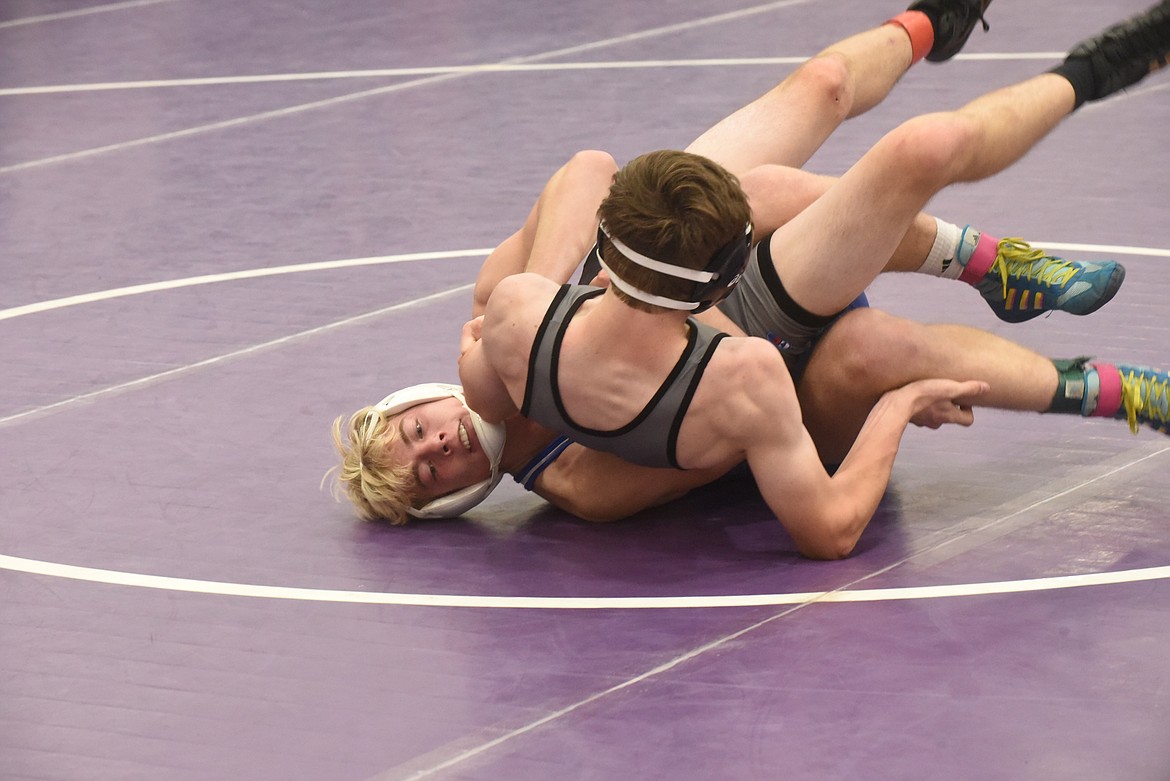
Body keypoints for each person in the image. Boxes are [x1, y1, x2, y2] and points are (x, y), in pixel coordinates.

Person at [329, 0, 1168, 556]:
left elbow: (588, 171)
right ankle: (1116, 390)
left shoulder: (504, 306)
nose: (438, 447)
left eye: (415, 437)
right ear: (460, 500)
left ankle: (926, 28)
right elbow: (723, 432)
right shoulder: (578, 479)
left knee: (822, 88)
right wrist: (893, 411)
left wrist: (557, 298)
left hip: (685, 278)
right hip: (774, 383)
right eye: (433, 475)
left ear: (417, 400)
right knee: (875, 346)